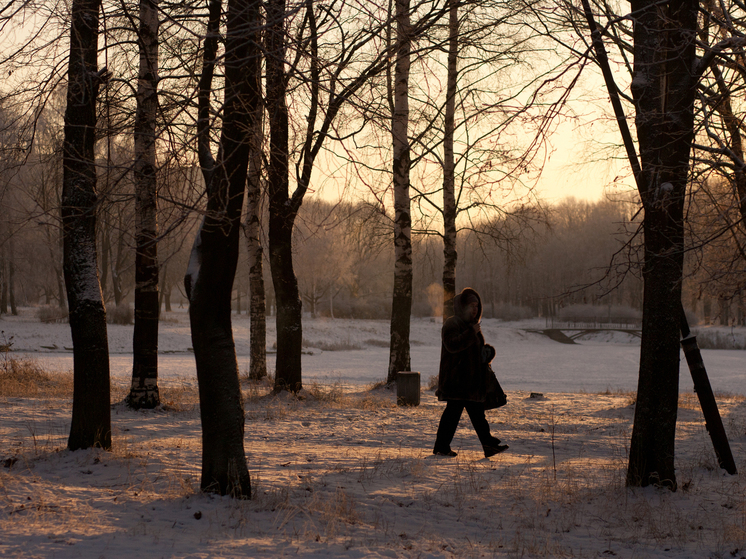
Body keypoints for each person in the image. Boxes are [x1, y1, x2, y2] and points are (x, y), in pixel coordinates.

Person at [433, 287, 508, 458]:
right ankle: (485, 444)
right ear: (462, 307)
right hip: (457, 381)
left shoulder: (471, 326)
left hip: (470, 381)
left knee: (469, 414)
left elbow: (473, 351)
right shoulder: (453, 323)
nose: (474, 309)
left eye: (476, 305)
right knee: (459, 414)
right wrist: (471, 333)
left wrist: (487, 352)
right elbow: (452, 345)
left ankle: (445, 446)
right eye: (471, 305)